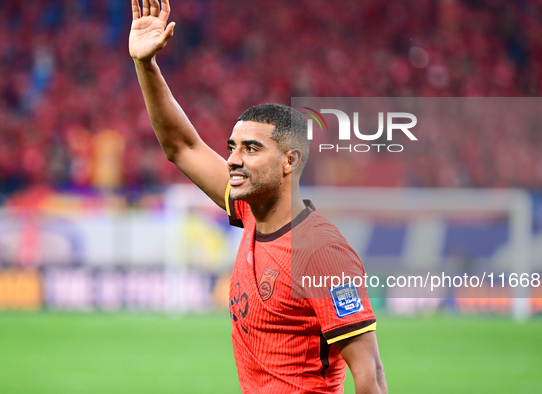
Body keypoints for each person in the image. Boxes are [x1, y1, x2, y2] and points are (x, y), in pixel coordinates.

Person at [129, 1, 388, 393]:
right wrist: (146, 65)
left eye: (250, 149)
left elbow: (370, 375)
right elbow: (182, 146)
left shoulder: (321, 252)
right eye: (232, 147)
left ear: (289, 161)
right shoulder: (251, 212)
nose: (232, 159)